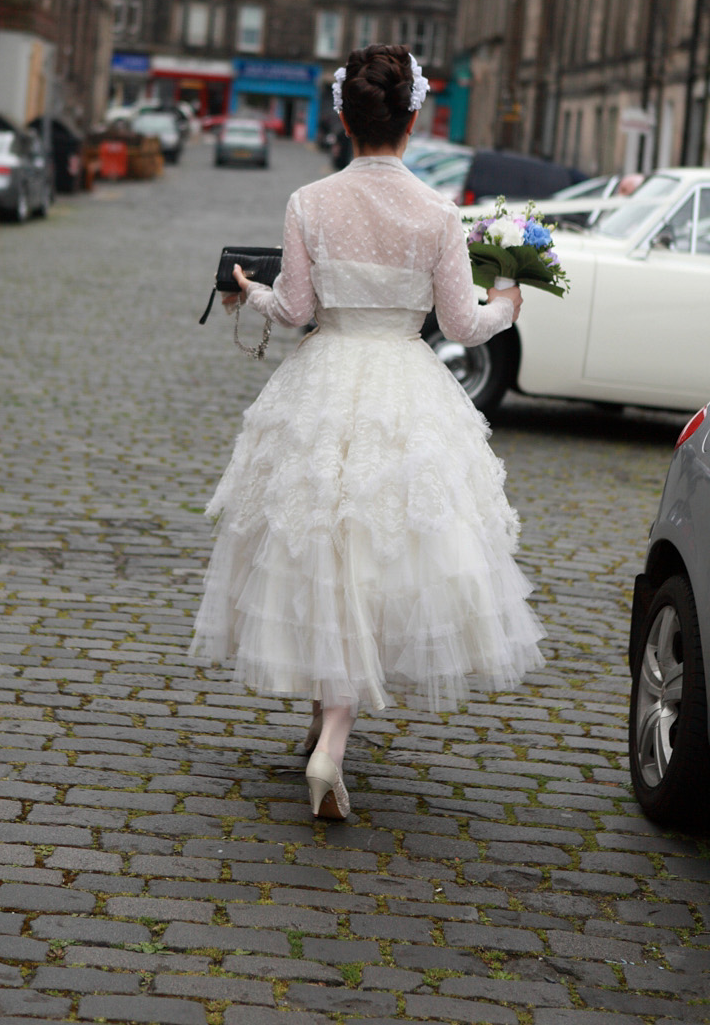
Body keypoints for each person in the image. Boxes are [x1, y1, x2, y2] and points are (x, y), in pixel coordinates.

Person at [190, 44, 545, 821]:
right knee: (377, 553)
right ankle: (333, 741)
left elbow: (296, 311)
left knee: (323, 546)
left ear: (343, 118)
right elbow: (460, 324)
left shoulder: (310, 202)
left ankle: (325, 725)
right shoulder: (439, 214)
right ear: (413, 119)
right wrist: (511, 301)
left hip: (323, 379)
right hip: (403, 383)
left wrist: (247, 293)